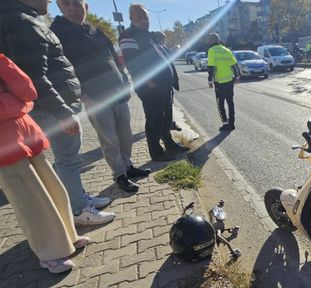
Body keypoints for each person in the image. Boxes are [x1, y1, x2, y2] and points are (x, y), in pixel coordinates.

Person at [0, 0, 116, 226]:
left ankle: (77, 199)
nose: (49, 1)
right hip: (51, 108)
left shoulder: (22, 18)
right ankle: (78, 210)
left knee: (69, 159)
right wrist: (63, 112)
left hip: (53, 105)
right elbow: (35, 77)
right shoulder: (22, 21)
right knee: (68, 160)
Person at [0, 54, 91, 273]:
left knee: (53, 190)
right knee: (30, 202)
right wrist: (15, 104)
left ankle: (67, 237)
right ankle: (48, 253)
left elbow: (28, 91)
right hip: (4, 144)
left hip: (25, 132)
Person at [51, 0, 151, 194]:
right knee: (109, 139)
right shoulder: (58, 33)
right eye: (67, 4)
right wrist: (83, 96)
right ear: (59, 7)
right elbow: (61, 70)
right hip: (95, 97)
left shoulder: (94, 30)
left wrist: (124, 82)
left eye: (77, 4)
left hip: (116, 92)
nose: (73, 8)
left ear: (86, 7)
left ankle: (128, 166)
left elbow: (113, 56)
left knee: (125, 134)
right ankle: (119, 174)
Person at [118, 3, 187, 162]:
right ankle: (156, 153)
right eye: (140, 17)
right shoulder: (128, 36)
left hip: (164, 86)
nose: (144, 20)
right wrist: (150, 82)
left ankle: (170, 145)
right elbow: (133, 62)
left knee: (166, 117)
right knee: (155, 119)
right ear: (131, 18)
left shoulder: (148, 35)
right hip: (151, 88)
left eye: (145, 17)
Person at [207, 33, 240, 132]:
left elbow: (211, 67)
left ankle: (225, 124)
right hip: (229, 80)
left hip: (219, 82)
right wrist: (237, 76)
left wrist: (210, 80)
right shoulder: (226, 49)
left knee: (220, 103)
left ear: (211, 40)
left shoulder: (211, 50)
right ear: (218, 39)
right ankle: (232, 123)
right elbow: (234, 64)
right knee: (230, 102)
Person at [152, 31, 182, 132]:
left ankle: (169, 123)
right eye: (164, 39)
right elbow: (173, 54)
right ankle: (166, 127)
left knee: (169, 105)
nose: (165, 41)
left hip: (166, 83)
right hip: (162, 84)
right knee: (166, 107)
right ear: (160, 39)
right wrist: (178, 49)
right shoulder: (158, 47)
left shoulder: (159, 47)